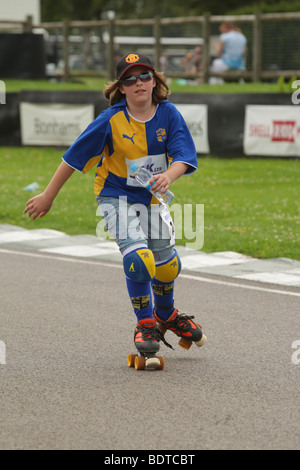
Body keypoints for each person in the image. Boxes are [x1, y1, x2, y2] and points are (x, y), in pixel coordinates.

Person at [24, 52, 206, 369]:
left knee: (166, 266)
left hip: (151, 199)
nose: (139, 83)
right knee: (139, 258)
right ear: (121, 87)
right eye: (130, 79)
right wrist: (48, 196)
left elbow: (183, 156)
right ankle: (146, 323)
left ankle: (167, 313)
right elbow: (72, 159)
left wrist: (169, 175)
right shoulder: (110, 120)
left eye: (145, 77)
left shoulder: (169, 114)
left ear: (155, 81)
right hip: (115, 195)